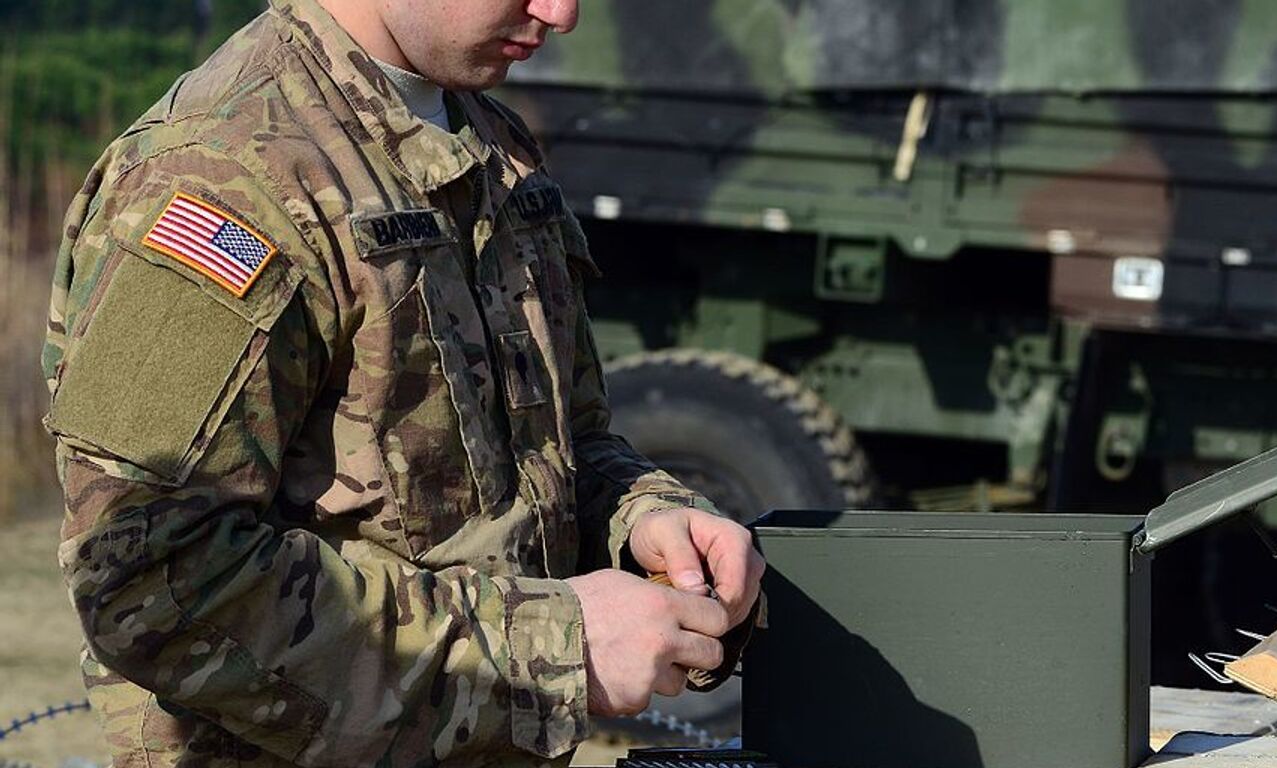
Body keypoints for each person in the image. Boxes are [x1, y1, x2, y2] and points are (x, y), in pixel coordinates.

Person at [40, 0, 765, 764]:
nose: (562, 12)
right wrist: (556, 645)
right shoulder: (221, 174)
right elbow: (147, 575)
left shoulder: (484, 138)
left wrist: (640, 520)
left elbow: (554, 450)